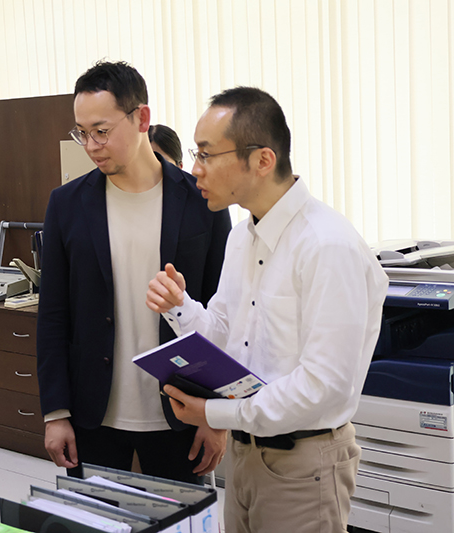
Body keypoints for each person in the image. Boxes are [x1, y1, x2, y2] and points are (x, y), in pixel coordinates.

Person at [146, 86, 388, 532]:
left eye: (206, 154)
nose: (193, 169)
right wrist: (180, 307)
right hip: (244, 453)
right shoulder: (242, 236)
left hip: (303, 462)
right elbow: (224, 330)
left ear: (262, 160)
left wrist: (212, 414)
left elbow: (322, 386)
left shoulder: (326, 246)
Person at [36, 60, 232, 483]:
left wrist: (217, 414)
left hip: (183, 409)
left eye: (101, 131)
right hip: (94, 414)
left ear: (142, 117)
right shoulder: (66, 205)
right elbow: (53, 314)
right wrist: (56, 412)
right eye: (81, 132)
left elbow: (225, 311)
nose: (90, 145)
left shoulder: (202, 201)